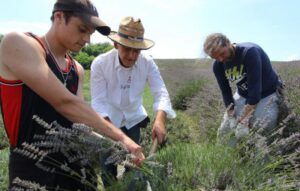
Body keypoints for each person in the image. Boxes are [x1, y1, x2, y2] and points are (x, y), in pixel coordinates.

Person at [0, 0, 145, 190]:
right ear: (59, 17)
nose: (87, 39)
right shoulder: (19, 44)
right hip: (32, 171)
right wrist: (123, 139)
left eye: (90, 34)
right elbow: (65, 102)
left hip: (76, 171)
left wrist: (116, 148)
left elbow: (79, 127)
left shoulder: (76, 69)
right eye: (82, 29)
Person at [90, 16, 176, 185]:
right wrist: (119, 137)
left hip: (132, 120)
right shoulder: (100, 64)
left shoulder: (147, 63)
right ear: (116, 44)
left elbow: (161, 92)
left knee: (134, 168)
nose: (131, 55)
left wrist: (160, 120)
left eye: (137, 51)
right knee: (108, 167)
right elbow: (98, 103)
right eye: (127, 49)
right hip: (109, 121)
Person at [203, 33, 282, 141]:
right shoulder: (218, 65)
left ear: (228, 43)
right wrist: (231, 116)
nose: (220, 59)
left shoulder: (249, 52)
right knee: (225, 132)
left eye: (222, 53)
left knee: (264, 127)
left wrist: (243, 121)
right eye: (215, 57)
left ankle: (263, 156)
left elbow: (255, 93)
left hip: (268, 93)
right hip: (243, 94)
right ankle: (228, 157)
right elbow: (225, 91)